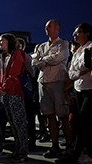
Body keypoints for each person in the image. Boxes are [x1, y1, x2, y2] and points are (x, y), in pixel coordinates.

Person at [56, 23, 92, 164]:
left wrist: (78, 71)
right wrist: (79, 72)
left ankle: (78, 154)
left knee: (84, 122)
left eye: (78, 32)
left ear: (87, 33)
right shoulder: (78, 51)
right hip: (79, 90)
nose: (74, 35)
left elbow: (87, 65)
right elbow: (71, 72)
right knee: (85, 124)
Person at [31, 20, 73, 158]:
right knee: (49, 115)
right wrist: (46, 61)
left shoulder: (64, 44)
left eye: (49, 26)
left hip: (58, 81)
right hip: (43, 82)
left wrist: (43, 60)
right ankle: (55, 146)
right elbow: (34, 62)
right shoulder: (42, 46)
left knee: (63, 116)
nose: (46, 28)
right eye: (45, 27)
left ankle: (69, 146)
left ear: (57, 28)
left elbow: (58, 58)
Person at [0, 33, 29, 163]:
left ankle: (23, 151)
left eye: (2, 40)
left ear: (9, 41)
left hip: (15, 92)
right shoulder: (5, 56)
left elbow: (15, 73)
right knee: (12, 122)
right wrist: (0, 87)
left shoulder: (18, 53)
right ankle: (17, 149)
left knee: (19, 123)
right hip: (6, 93)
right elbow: (2, 74)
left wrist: (4, 87)